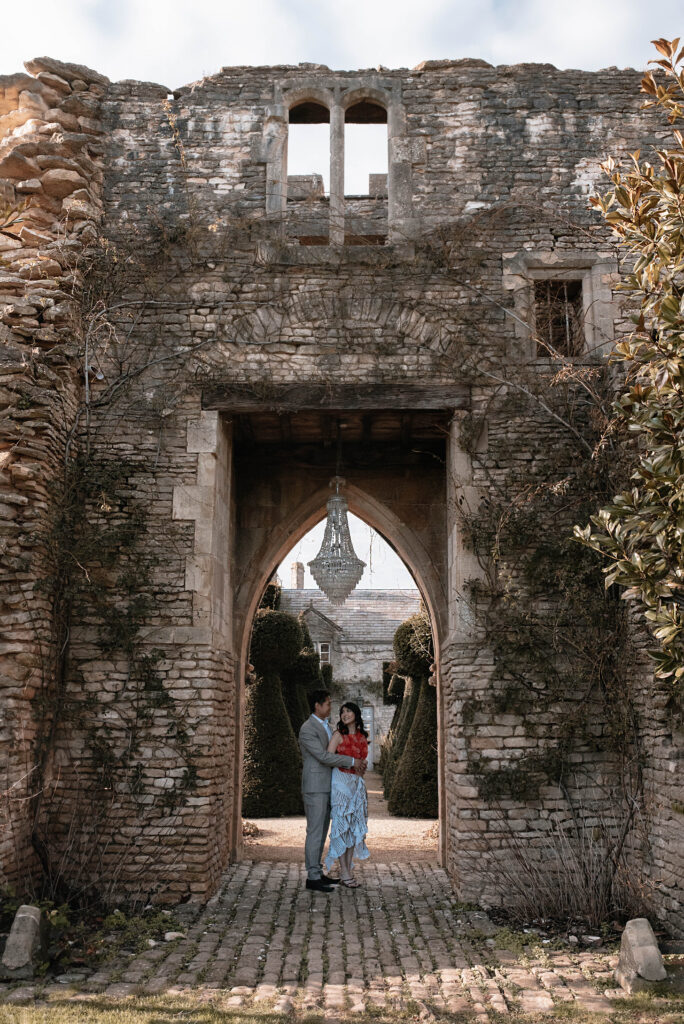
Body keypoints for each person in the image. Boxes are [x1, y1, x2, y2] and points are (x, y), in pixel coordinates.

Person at [298, 689, 367, 893]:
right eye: (328, 703)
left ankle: (317, 872)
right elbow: (323, 756)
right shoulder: (307, 728)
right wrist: (352, 761)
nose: (331, 707)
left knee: (322, 832)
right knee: (315, 831)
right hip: (315, 787)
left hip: (330, 786)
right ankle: (312, 877)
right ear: (317, 705)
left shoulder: (328, 727)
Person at [324, 702, 370, 888]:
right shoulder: (338, 735)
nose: (345, 714)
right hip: (340, 781)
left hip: (356, 783)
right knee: (341, 826)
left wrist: (361, 770)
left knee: (352, 827)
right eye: (342, 712)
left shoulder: (362, 737)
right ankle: (343, 871)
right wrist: (350, 762)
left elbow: (363, 762)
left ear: (356, 714)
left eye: (348, 711)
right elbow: (328, 758)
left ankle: (347, 870)